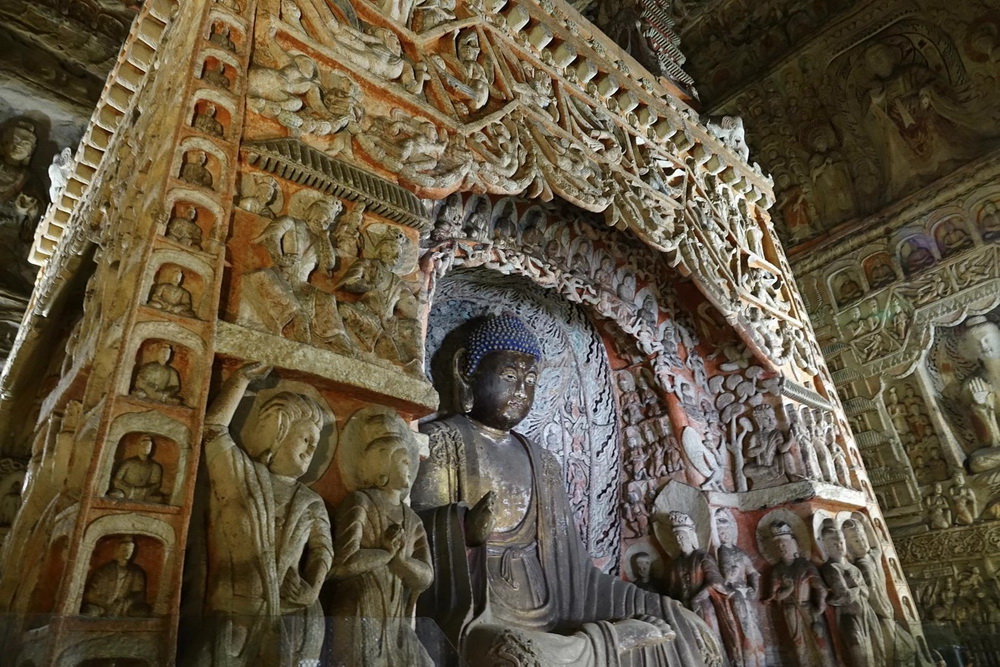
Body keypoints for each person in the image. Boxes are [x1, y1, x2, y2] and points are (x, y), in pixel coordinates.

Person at [412, 314, 721, 667]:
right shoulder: (443, 442)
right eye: (509, 377)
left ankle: (592, 646)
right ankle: (606, 643)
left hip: (551, 614)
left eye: (530, 380)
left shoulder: (542, 462)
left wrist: (664, 607)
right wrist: (463, 529)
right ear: (466, 372)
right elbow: (411, 536)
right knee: (508, 653)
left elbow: (579, 578)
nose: (521, 391)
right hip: (478, 621)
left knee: (677, 629)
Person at [187, 363, 333, 667]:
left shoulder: (311, 502)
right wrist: (240, 380)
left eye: (316, 445)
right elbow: (213, 430)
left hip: (292, 618)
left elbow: (323, 551)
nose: (311, 450)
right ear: (279, 432)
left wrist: (312, 589)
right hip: (233, 612)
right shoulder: (241, 477)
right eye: (306, 439)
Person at [329, 410, 434, 666]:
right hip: (359, 611)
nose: (409, 466)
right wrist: (385, 554)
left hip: (397, 621)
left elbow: (426, 576)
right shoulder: (360, 503)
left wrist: (402, 562)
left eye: (409, 460)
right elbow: (342, 564)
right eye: (403, 461)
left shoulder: (413, 520)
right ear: (382, 467)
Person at [81, 537, 151, 617]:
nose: (127, 553)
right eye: (124, 550)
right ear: (117, 550)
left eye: (130, 550)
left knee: (142, 611)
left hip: (125, 607)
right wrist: (105, 603)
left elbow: (138, 594)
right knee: (90, 611)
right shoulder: (105, 570)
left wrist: (124, 602)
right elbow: (90, 594)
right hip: (103, 606)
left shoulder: (136, 571)